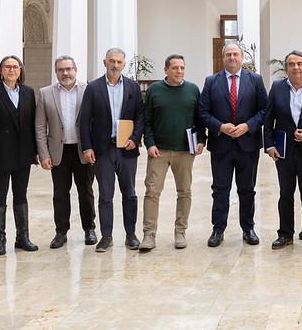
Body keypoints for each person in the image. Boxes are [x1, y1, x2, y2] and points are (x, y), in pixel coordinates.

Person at [199, 42, 268, 247]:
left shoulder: (255, 80)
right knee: (220, 189)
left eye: (235, 54)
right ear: (223, 58)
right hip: (221, 145)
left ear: (241, 57)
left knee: (247, 189)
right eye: (228, 54)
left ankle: (248, 228)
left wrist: (248, 126)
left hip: (248, 144)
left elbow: (264, 110)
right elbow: (202, 112)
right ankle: (218, 229)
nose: (232, 58)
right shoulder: (211, 81)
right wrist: (220, 127)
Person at [80, 48, 145, 252]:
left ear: (124, 64)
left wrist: (135, 138)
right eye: (111, 61)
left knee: (130, 193)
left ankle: (131, 234)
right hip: (103, 150)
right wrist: (87, 147)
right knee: (105, 195)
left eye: (119, 62)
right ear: (104, 62)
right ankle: (106, 236)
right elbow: (84, 120)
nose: (115, 65)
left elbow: (140, 116)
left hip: (127, 149)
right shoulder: (93, 88)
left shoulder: (133, 87)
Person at [139, 54, 206, 252]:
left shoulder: (192, 90)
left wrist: (201, 140)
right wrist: (149, 144)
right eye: (175, 67)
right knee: (152, 192)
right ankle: (149, 234)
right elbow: (147, 120)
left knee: (184, 191)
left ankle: (180, 232)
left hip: (185, 151)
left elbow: (199, 119)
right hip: (159, 151)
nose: (179, 71)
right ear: (166, 70)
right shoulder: (155, 90)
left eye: (182, 67)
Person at [264, 50, 302, 251]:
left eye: (299, 64)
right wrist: (269, 145)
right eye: (291, 64)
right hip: (284, 151)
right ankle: (285, 234)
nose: (296, 67)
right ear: (286, 68)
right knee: (285, 193)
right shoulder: (277, 88)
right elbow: (268, 119)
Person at [0, 55, 39, 255]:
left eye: (15, 66)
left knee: (21, 194)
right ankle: (0, 240)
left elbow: (33, 125)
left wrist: (36, 152)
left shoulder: (29, 93)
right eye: (7, 67)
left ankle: (22, 237)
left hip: (23, 154)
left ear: (20, 70)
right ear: (1, 71)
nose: (12, 70)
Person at [35, 55, 96, 249]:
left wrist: (93, 148)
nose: (65, 73)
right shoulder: (45, 93)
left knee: (86, 192)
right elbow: (39, 126)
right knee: (60, 194)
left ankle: (89, 228)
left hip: (83, 150)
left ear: (75, 70)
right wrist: (44, 154)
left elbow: (95, 122)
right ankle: (61, 232)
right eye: (61, 70)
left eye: (69, 69)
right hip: (58, 152)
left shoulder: (88, 90)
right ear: (56, 72)